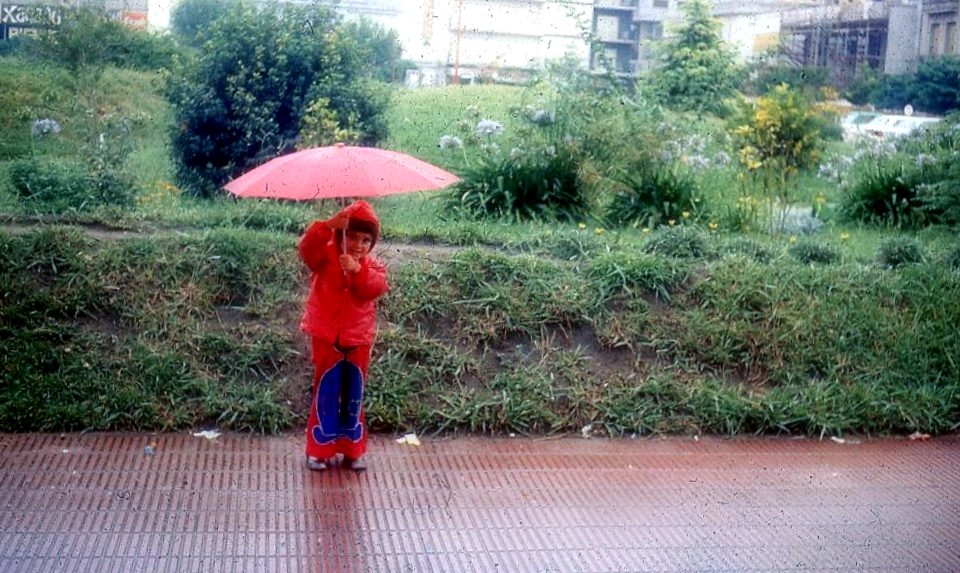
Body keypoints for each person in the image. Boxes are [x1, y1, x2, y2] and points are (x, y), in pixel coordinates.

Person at [298, 200, 389, 471]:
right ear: (341, 235)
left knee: (353, 395)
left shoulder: (373, 267)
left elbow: (376, 287)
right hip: (327, 336)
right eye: (351, 236)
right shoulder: (327, 255)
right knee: (326, 391)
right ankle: (319, 449)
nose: (358, 244)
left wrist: (358, 271)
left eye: (365, 240)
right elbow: (307, 250)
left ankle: (353, 449)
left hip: (357, 340)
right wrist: (327, 227)